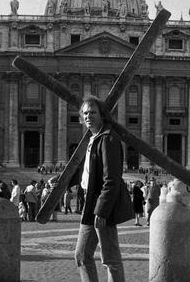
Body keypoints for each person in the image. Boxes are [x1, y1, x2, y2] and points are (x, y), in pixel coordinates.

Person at [74, 95, 133, 282]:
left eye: (92, 112)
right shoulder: (94, 139)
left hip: (101, 205)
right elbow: (88, 172)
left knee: (110, 258)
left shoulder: (108, 139)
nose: (88, 116)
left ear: (102, 115)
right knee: (82, 255)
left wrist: (102, 210)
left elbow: (112, 179)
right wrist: (61, 180)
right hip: (89, 202)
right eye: (85, 113)